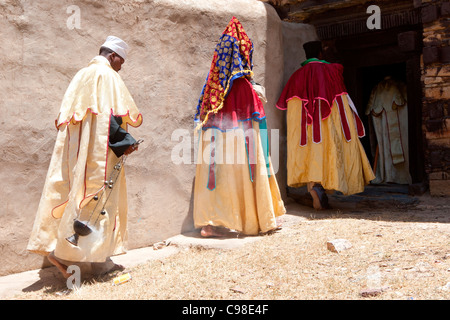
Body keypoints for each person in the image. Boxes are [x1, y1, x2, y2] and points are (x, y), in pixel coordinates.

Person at [27, 36, 143, 279]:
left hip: (76, 156)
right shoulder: (108, 76)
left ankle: (65, 252)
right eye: (121, 60)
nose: (122, 65)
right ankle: (97, 264)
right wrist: (125, 143)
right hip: (99, 155)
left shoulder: (81, 75)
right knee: (99, 201)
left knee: (77, 198)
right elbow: (109, 116)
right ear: (112, 56)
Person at [193, 17, 285, 237]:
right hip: (241, 144)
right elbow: (257, 122)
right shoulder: (243, 85)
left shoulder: (211, 86)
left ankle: (209, 224)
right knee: (242, 176)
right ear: (242, 54)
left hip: (213, 148)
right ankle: (254, 219)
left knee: (215, 179)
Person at [276, 41, 375, 209]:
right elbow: (342, 99)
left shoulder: (297, 76)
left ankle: (313, 186)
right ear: (321, 54)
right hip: (327, 122)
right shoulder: (331, 71)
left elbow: (293, 110)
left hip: (305, 126)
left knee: (310, 150)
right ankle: (327, 184)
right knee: (329, 147)